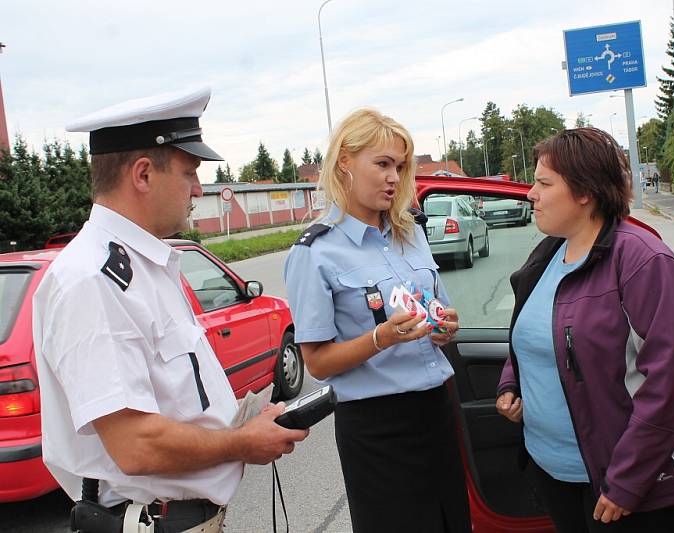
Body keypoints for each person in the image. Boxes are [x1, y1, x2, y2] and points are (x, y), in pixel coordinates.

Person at [32, 87, 308, 533]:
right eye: (189, 172)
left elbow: (177, 402)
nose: (199, 189)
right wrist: (241, 443)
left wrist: (243, 423)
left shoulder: (146, 266)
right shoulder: (92, 280)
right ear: (143, 174)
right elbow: (135, 444)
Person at [494, 128, 674, 533]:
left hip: (638, 488)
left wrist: (626, 482)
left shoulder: (643, 261)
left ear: (585, 192)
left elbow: (671, 382)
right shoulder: (549, 252)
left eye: (544, 183)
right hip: (557, 473)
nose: (531, 193)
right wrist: (511, 383)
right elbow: (530, 333)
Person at [283, 108, 471, 532]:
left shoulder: (412, 232)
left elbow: (437, 306)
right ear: (345, 161)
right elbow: (317, 362)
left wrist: (445, 326)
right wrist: (380, 339)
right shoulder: (315, 252)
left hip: (436, 412)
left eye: (400, 167)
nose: (393, 177)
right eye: (382, 164)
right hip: (377, 430)